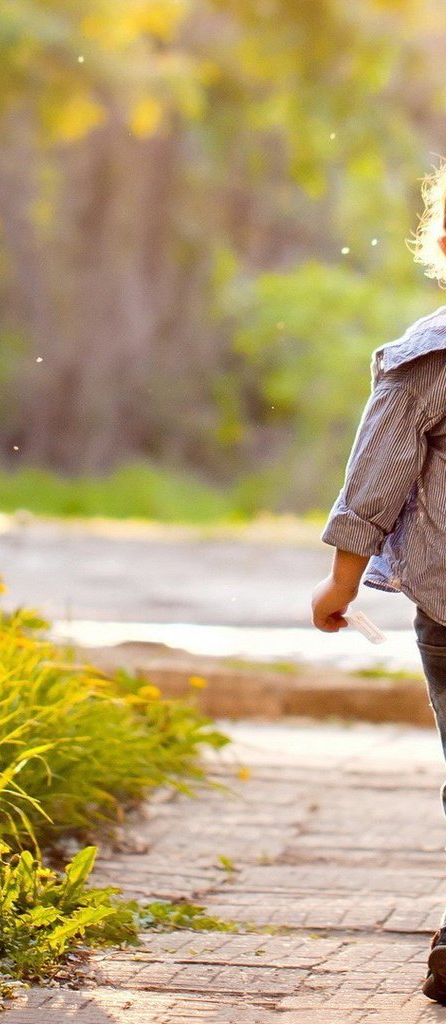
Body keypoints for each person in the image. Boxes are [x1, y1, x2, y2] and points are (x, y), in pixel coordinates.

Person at [312, 161, 446, 1003]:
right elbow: (379, 480)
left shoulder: (428, 355)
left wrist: (340, 582)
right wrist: (345, 571)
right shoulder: (430, 359)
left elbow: (378, 475)